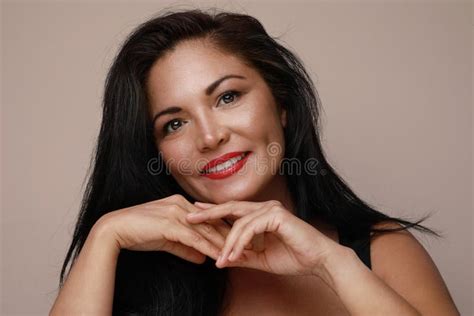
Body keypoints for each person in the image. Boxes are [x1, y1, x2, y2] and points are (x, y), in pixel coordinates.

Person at [49, 9, 459, 316]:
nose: (210, 138)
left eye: (227, 97)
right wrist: (105, 238)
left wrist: (330, 263)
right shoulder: (134, 271)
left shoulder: (381, 252)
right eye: (174, 123)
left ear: (281, 104)